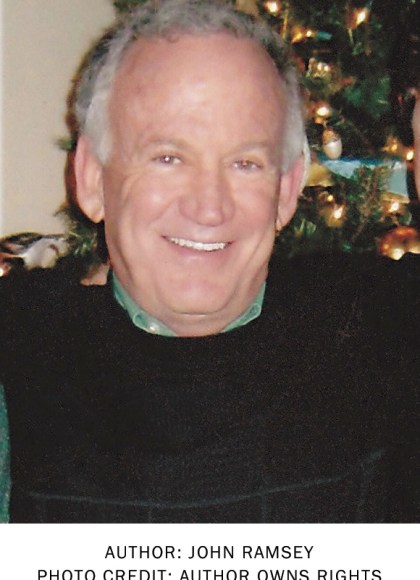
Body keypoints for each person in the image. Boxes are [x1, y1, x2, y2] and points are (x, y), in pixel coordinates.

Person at [0, 0, 418, 523]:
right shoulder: (19, 356)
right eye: (168, 158)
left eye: (246, 163)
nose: (209, 207)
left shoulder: (381, 331)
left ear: (288, 188)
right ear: (91, 177)